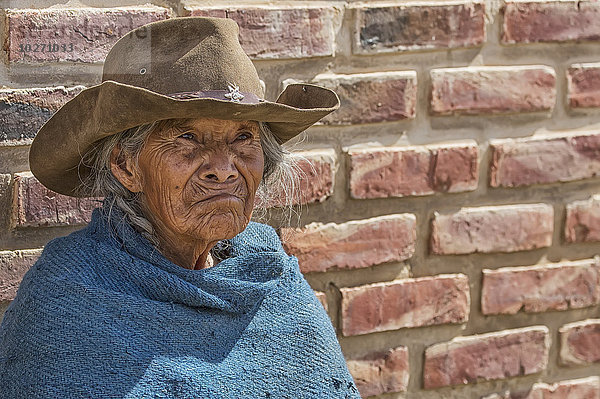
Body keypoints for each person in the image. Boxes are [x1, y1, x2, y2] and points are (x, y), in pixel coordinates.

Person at [0, 16, 360, 398]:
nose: (223, 169)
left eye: (243, 138)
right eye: (188, 138)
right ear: (125, 166)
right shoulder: (68, 300)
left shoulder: (271, 277)